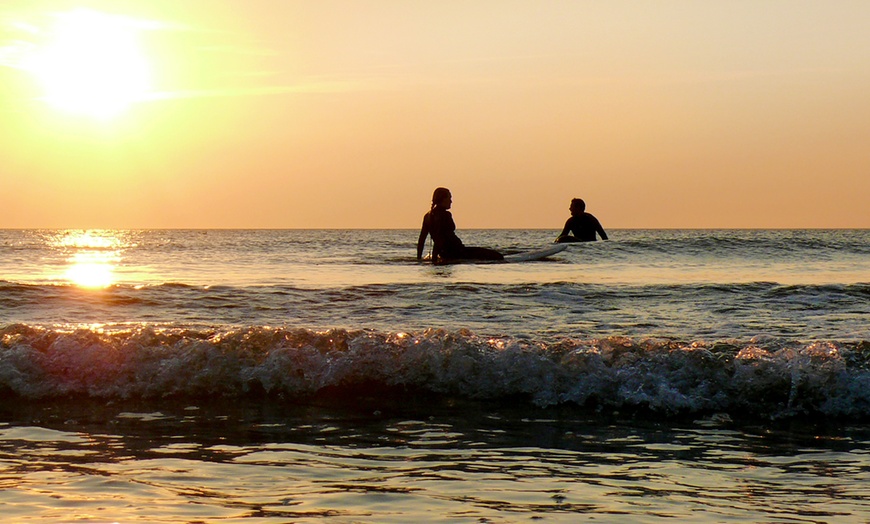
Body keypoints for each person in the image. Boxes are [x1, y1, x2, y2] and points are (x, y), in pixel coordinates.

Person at [417, 187, 504, 264]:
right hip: (458, 251)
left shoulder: (427, 216)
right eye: (449, 198)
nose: (451, 201)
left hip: (447, 253)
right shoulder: (445, 215)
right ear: (442, 199)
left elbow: (422, 240)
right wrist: (434, 260)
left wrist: (419, 259)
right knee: (498, 256)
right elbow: (440, 240)